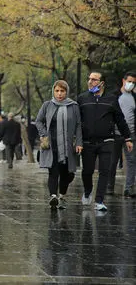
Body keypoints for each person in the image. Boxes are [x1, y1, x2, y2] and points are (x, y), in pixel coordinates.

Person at [77, 71, 133, 211]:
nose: (90, 81)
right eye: (89, 79)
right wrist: (76, 140)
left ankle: (99, 201)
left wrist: (128, 138)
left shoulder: (111, 99)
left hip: (107, 141)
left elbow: (120, 120)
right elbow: (77, 121)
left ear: (102, 83)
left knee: (104, 171)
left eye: (94, 79)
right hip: (88, 142)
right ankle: (88, 191)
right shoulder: (82, 98)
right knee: (87, 171)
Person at [36, 80, 83, 209]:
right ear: (53, 91)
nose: (59, 94)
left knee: (67, 173)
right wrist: (44, 134)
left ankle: (62, 195)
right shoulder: (47, 105)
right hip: (52, 145)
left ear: (66, 92)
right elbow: (38, 121)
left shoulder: (73, 106)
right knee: (53, 171)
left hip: (68, 146)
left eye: (62, 91)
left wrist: (79, 142)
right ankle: (53, 197)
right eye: (57, 91)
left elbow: (79, 125)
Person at [117, 72, 136, 197]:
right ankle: (107, 188)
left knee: (131, 160)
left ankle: (128, 188)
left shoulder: (134, 97)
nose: (131, 84)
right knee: (111, 162)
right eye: (130, 81)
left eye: (134, 82)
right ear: (123, 81)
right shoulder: (115, 95)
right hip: (115, 133)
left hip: (131, 133)